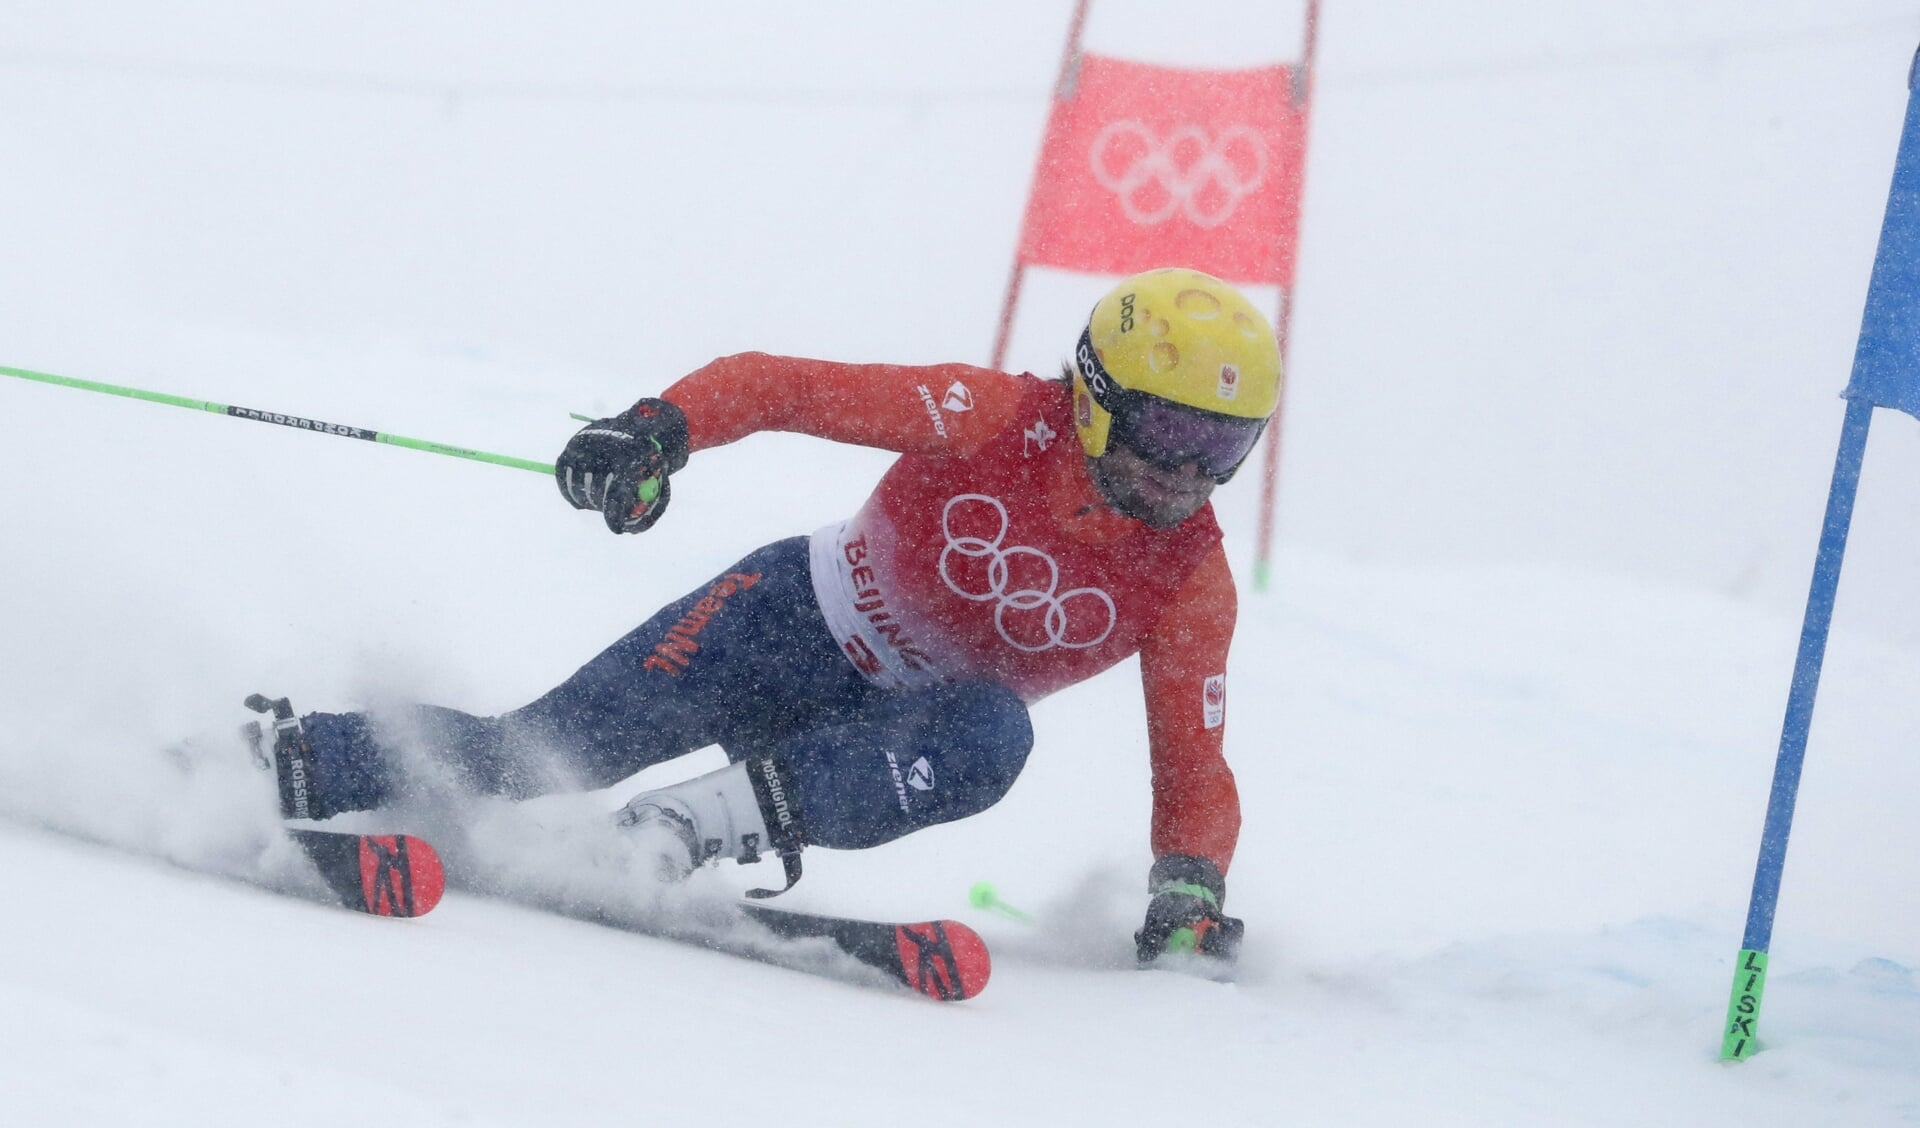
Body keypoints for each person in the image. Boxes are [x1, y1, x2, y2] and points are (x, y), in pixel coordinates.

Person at [265, 266, 1279, 966]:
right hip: (779, 623)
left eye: (1225, 448)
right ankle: (296, 757)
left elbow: (1196, 769)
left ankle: (679, 828)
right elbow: (782, 386)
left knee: (994, 734)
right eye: (1171, 430)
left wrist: (1188, 895)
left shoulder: (1190, 578)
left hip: (873, 740)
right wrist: (659, 431)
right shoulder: (996, 417)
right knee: (540, 754)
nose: (1190, 472)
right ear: (1098, 396)